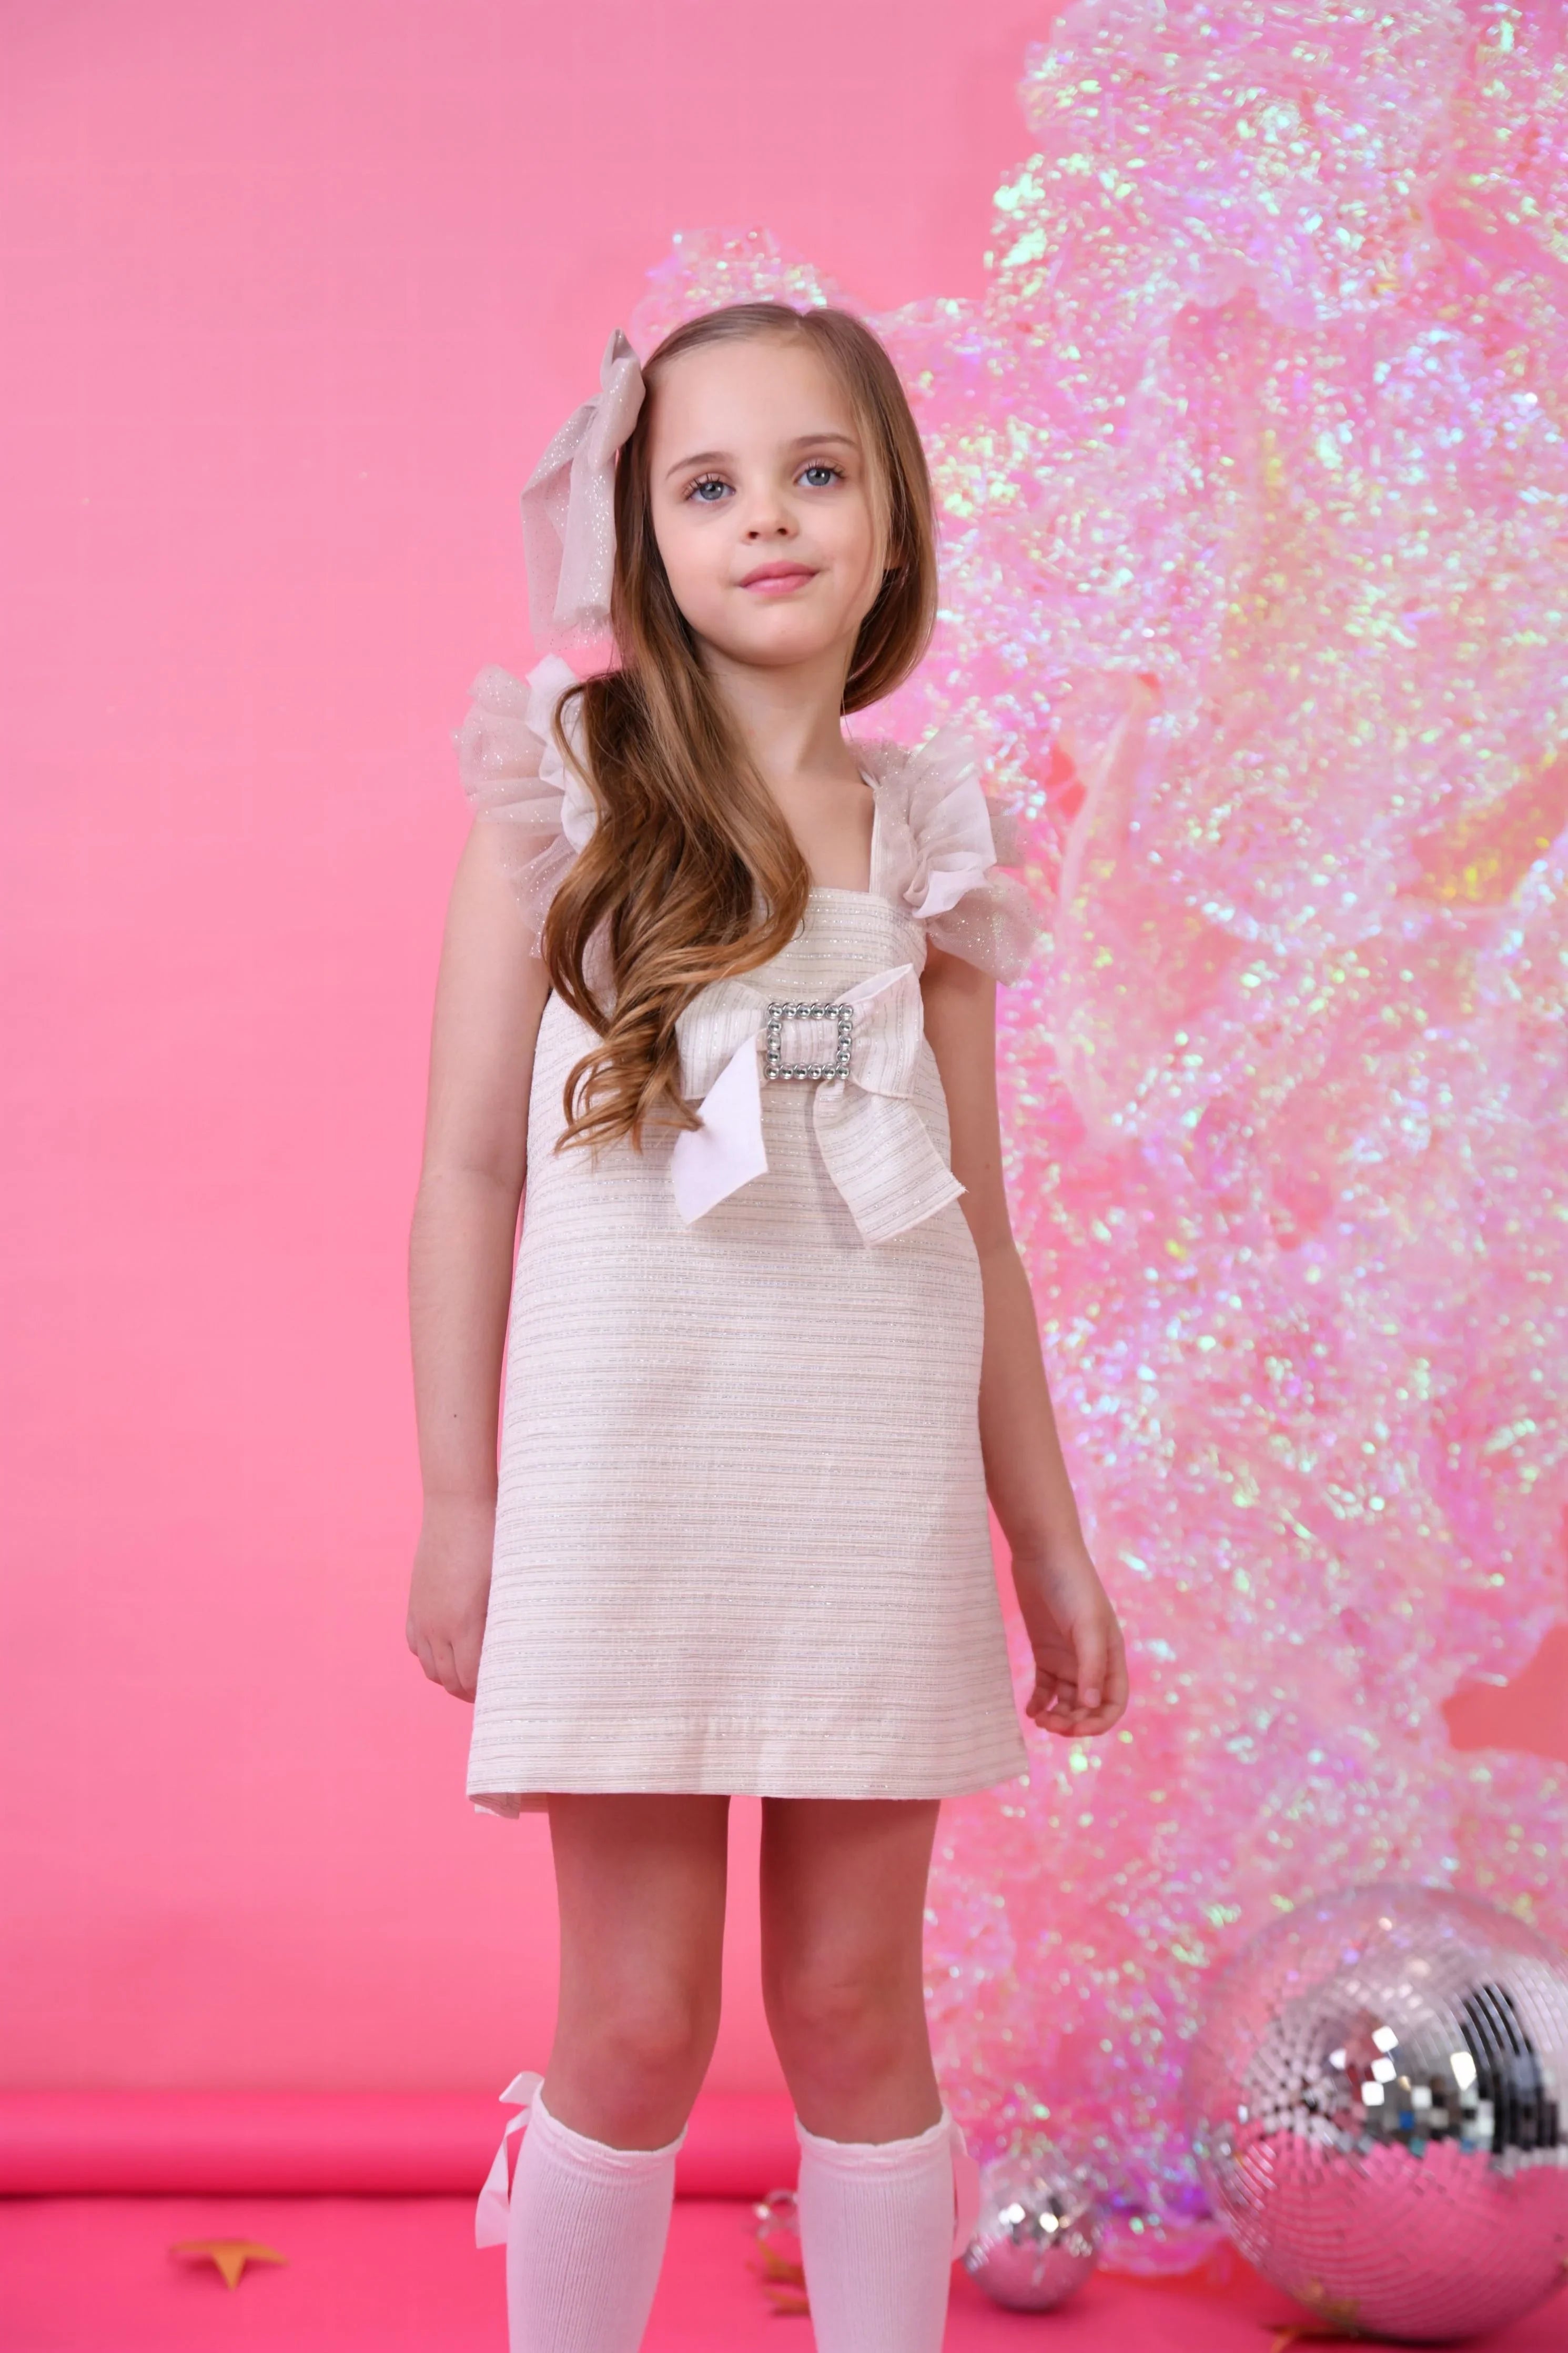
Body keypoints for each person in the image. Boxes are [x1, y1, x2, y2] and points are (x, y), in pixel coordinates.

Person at [406, 301, 1129, 2353]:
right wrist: (459, 1499)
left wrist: (1047, 1538)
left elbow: (978, 1227)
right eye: (707, 486)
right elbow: (470, 1168)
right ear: (641, 535)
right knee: (636, 2015)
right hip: (630, 1482)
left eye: (816, 473)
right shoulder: (566, 788)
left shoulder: (929, 837)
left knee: (850, 1998)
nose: (769, 520)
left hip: (862, 1491)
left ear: (894, 520)